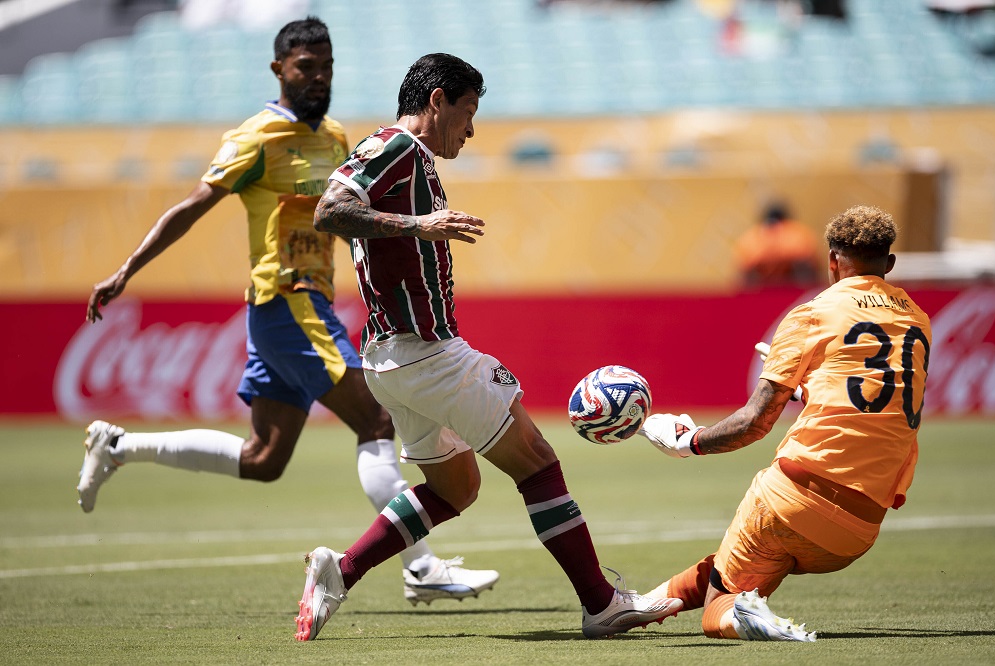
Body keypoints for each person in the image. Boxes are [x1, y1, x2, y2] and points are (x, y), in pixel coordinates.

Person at [77, 16, 498, 607]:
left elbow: (354, 217)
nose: (319, 77)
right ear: (279, 69)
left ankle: (119, 447)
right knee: (377, 420)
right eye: (306, 67)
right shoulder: (257, 136)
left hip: (307, 302)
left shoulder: (334, 136)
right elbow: (195, 205)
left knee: (265, 457)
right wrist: (127, 270)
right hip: (285, 298)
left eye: (327, 66)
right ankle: (420, 566)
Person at [295, 52, 683, 642]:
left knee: (458, 487)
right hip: (426, 354)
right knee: (538, 463)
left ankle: (340, 572)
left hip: (390, 360)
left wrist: (415, 227)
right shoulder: (395, 147)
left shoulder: (407, 157)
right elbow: (328, 211)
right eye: (468, 111)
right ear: (436, 102)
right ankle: (602, 604)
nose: (472, 129)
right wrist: (418, 226)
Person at [640, 205, 931, 641]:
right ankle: (635, 607)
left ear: (832, 260)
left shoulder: (814, 313)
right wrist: (807, 390)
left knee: (721, 606)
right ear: (888, 264)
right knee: (736, 564)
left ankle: (739, 616)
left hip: (793, 499)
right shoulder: (918, 321)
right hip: (860, 528)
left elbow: (754, 424)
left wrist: (690, 441)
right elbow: (873, 396)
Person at [734, 201, 821, 288]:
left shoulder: (750, 238)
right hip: (796, 292)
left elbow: (745, 272)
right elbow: (810, 267)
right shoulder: (798, 233)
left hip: (762, 292)